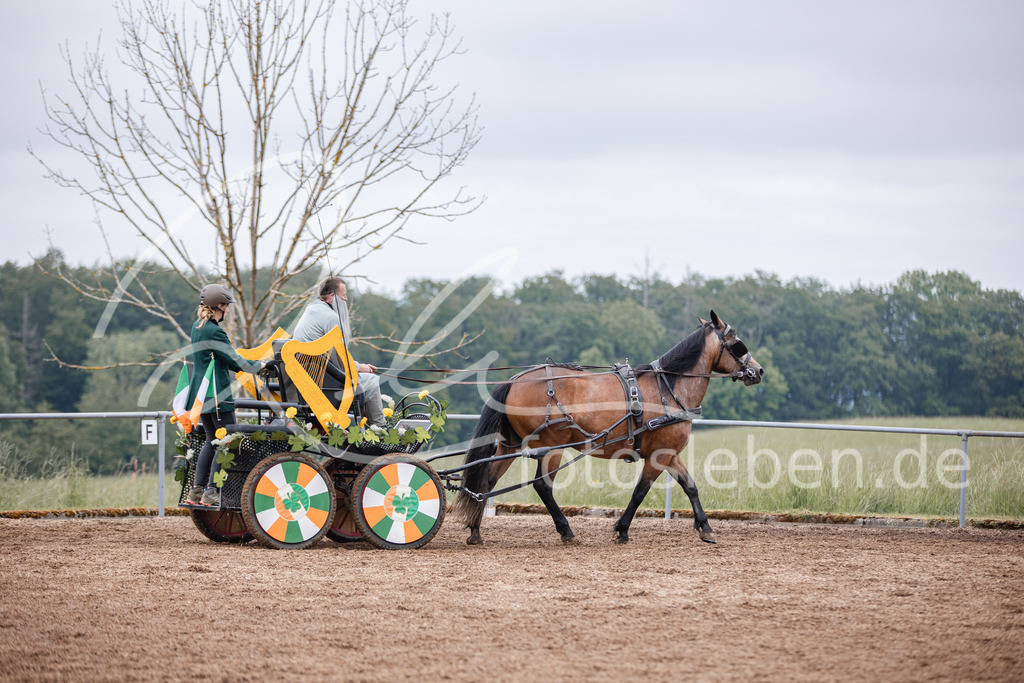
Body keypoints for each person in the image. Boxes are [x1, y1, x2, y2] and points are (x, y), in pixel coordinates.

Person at [184, 284, 265, 507]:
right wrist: (260, 366)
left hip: (202, 396)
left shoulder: (197, 327)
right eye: (226, 307)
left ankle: (196, 492)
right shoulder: (215, 330)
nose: (227, 311)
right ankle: (212, 491)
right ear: (219, 306)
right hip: (218, 396)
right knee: (227, 441)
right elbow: (233, 360)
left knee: (213, 440)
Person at [292, 276, 386, 426]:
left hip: (309, 381)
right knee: (372, 381)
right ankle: (380, 430)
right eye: (344, 295)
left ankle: (368, 430)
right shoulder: (331, 317)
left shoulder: (311, 310)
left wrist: (357, 366)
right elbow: (339, 359)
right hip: (326, 387)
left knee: (363, 378)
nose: (346, 299)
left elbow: (332, 356)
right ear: (332, 297)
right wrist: (359, 367)